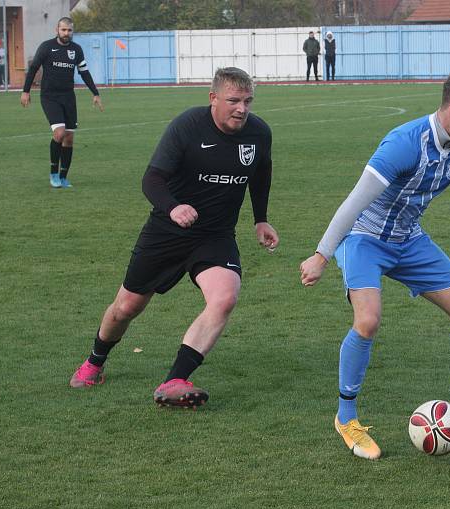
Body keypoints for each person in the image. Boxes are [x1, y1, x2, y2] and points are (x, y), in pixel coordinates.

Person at [300, 70, 450, 460]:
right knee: (367, 321)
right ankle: (346, 417)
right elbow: (354, 201)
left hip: (409, 239)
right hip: (364, 239)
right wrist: (322, 254)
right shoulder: (404, 144)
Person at [69, 67, 279, 409]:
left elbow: (262, 172)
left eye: (247, 101)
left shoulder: (258, 133)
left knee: (225, 297)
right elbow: (151, 179)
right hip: (167, 232)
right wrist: (173, 207)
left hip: (214, 235)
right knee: (126, 307)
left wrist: (261, 219)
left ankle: (175, 380)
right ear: (213, 98)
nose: (242, 108)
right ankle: (95, 360)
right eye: (233, 101)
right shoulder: (187, 126)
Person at [20, 17, 103, 189]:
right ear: (56, 30)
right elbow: (34, 68)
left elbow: (84, 72)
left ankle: (64, 177)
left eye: (69, 30)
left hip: (68, 97)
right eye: (63, 30)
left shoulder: (76, 50)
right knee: (59, 133)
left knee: (69, 138)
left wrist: (95, 93)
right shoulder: (46, 47)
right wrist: (26, 91)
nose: (66, 33)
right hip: (49, 96)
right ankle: (53, 173)